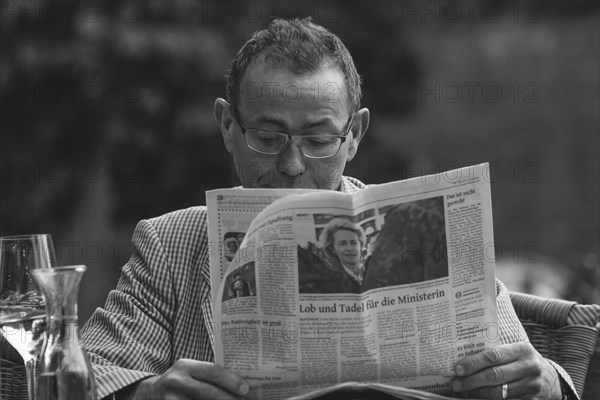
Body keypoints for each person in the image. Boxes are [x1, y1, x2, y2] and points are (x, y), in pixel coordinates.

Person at [81, 17, 576, 400]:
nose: (292, 165)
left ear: (354, 135)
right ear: (228, 126)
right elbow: (86, 372)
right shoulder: (171, 245)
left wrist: (549, 382)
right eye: (267, 137)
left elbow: (525, 367)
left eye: (319, 139)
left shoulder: (427, 221)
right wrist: (145, 391)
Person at [320, 218, 367, 287]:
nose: (350, 248)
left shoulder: (372, 270)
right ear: (332, 249)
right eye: (342, 244)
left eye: (354, 243)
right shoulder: (331, 282)